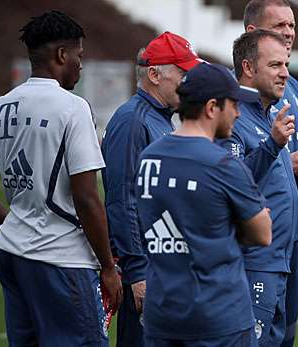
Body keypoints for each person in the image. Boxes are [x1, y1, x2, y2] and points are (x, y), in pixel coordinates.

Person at [0, 10, 122, 346]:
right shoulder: (72, 107)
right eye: (79, 55)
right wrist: (107, 266)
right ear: (62, 55)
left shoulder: (0, 106)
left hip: (12, 255)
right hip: (61, 259)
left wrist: (14, 224)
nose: (81, 64)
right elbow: (87, 198)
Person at [137, 62, 272, 347]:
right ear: (212, 107)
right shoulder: (224, 164)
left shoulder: (149, 158)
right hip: (219, 317)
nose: (238, 113)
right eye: (233, 105)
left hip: (162, 315)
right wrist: (238, 222)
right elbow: (263, 233)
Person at [101, 31, 202, 347]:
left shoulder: (162, 119)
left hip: (169, 266)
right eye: (182, 73)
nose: (188, 82)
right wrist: (138, 271)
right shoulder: (133, 120)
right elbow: (122, 200)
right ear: (154, 74)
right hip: (148, 269)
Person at [242, 2, 298, 344]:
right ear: (253, 34)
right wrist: (285, 162)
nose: (290, 32)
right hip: (257, 238)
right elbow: (228, 171)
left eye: (292, 25)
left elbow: (292, 156)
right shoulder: (231, 99)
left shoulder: (290, 85)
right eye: (279, 25)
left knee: (286, 333)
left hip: (293, 230)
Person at [220, 29, 298, 346]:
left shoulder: (267, 117)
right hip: (253, 263)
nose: (285, 74)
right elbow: (232, 185)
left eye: (286, 64)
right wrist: (272, 145)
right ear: (249, 68)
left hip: (278, 262)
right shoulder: (232, 118)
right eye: (275, 65)